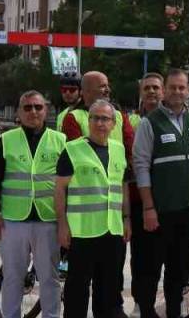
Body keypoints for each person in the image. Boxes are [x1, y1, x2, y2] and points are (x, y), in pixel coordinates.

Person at [132, 69, 189, 318]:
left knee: (178, 271)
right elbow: (141, 166)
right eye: (173, 87)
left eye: (182, 87)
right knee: (150, 270)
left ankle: (174, 313)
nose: (177, 92)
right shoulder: (149, 122)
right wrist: (148, 207)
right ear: (164, 90)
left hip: (188, 210)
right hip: (160, 211)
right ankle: (146, 312)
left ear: (188, 90)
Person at [0, 90, 66, 318]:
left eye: (38, 107)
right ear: (19, 112)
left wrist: (65, 221)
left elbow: (67, 184)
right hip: (13, 220)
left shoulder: (60, 140)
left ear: (46, 110)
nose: (33, 112)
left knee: (49, 277)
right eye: (28, 107)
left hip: (48, 220)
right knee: (13, 276)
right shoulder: (7, 140)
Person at [56, 100, 131, 318]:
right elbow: (60, 189)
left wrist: (127, 218)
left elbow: (123, 185)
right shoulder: (73, 149)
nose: (99, 123)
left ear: (113, 123)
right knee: (77, 292)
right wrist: (62, 225)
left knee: (107, 292)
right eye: (95, 118)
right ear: (88, 121)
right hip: (82, 233)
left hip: (112, 231)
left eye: (105, 118)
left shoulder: (118, 150)